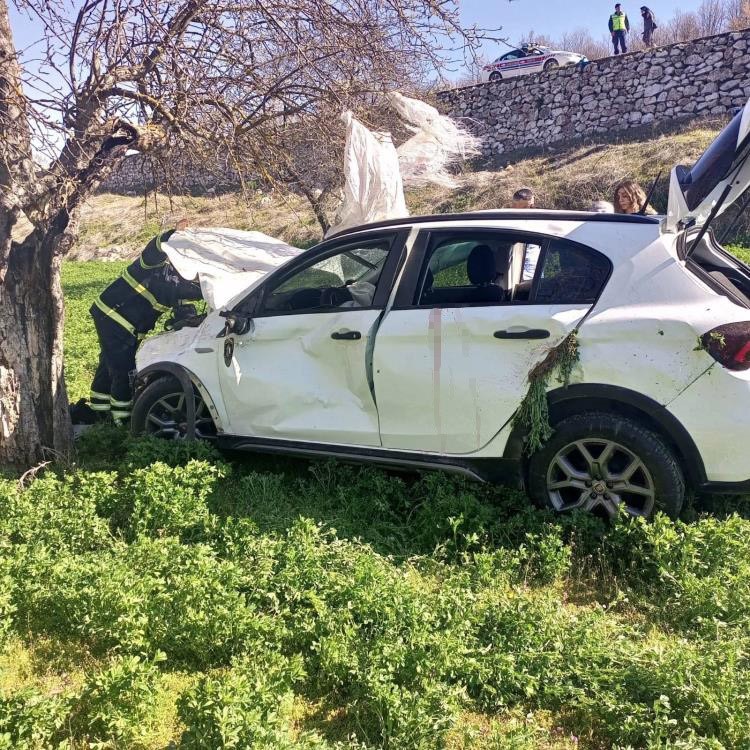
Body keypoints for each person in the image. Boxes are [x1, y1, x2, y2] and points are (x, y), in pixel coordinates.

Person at [79, 228, 203, 425]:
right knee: (123, 369)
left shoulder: (181, 285)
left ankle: (99, 410)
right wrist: (173, 235)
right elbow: (154, 248)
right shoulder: (154, 266)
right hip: (112, 316)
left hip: (127, 324)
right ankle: (123, 420)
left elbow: (185, 311)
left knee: (108, 362)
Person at [509, 187, 541, 280]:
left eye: (531, 207)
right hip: (514, 279)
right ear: (513, 206)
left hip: (535, 278)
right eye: (524, 208)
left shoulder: (540, 223)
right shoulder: (507, 226)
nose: (529, 211)